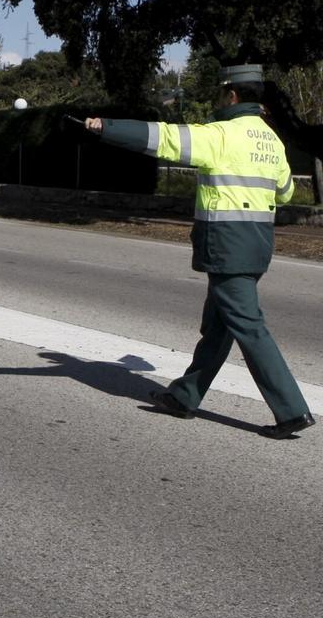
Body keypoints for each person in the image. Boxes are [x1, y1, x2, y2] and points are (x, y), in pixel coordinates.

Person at [85, 65, 314, 439]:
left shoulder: (220, 135)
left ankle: (291, 410)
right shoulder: (272, 141)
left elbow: (163, 138)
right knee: (218, 326)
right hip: (258, 243)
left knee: (248, 325)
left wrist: (106, 127)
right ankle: (185, 396)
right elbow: (286, 191)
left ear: (233, 96)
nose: (219, 99)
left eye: (222, 94)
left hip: (227, 244)